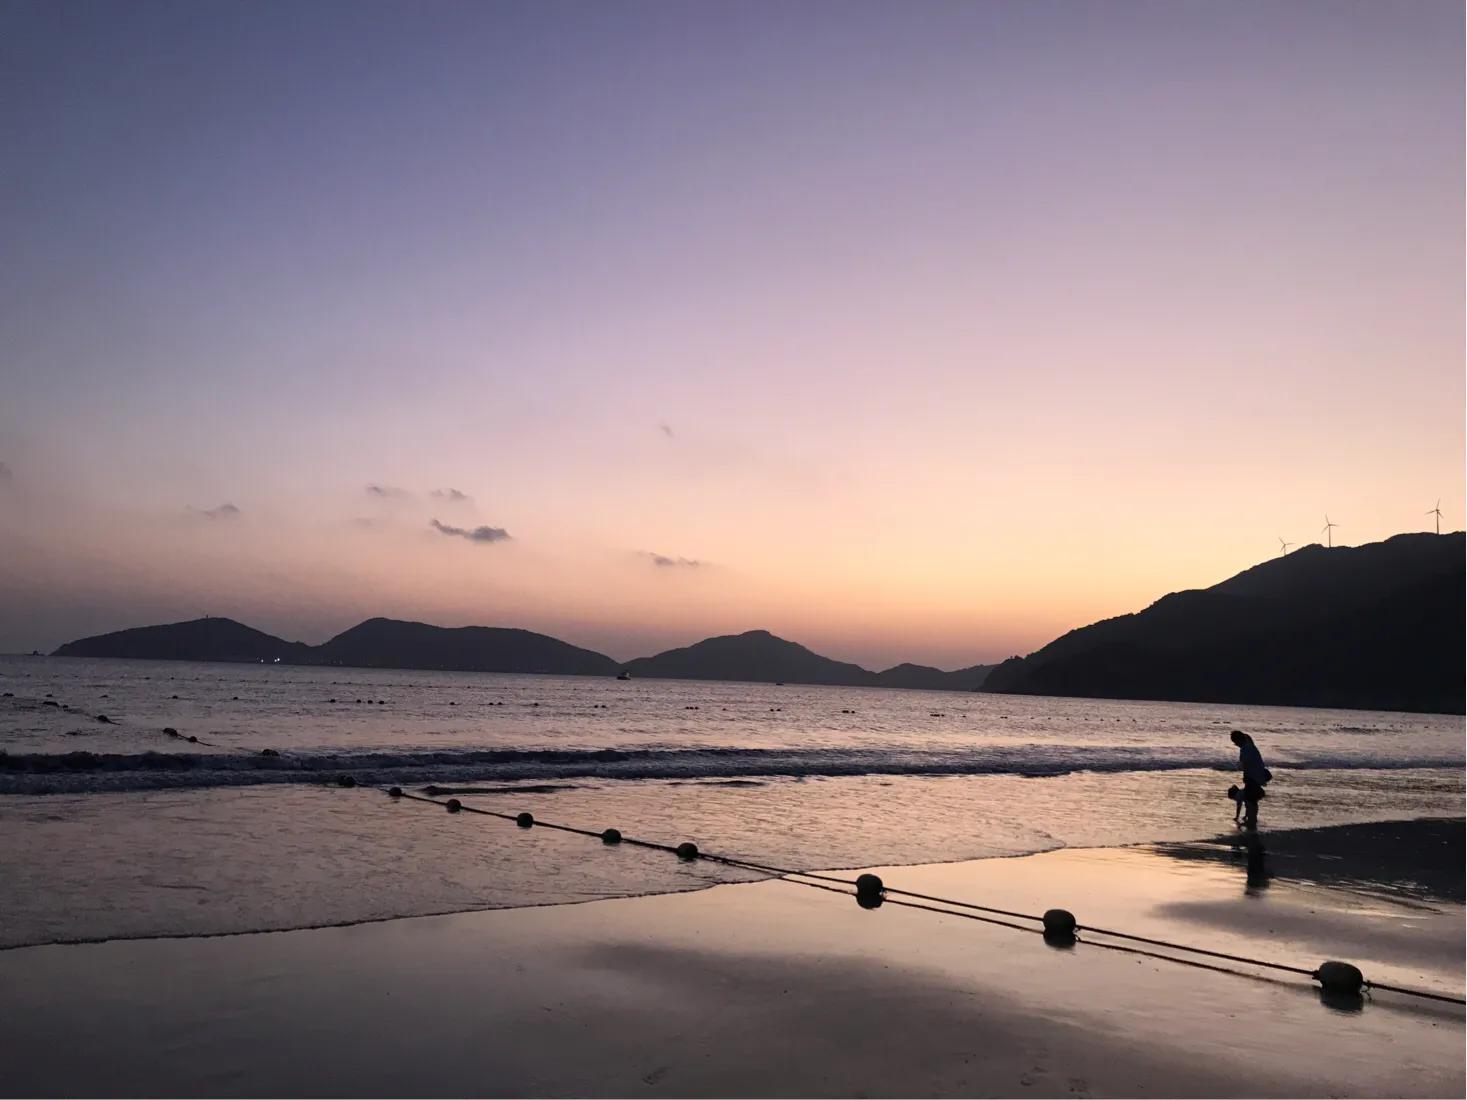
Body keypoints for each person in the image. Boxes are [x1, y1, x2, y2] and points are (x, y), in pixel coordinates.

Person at [1229, 730, 1272, 829]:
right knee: (1252, 799)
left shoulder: (1245, 749)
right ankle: (1252, 820)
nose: (1236, 744)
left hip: (1252, 777)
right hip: (1258, 776)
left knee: (1250, 800)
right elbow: (1249, 738)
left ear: (1239, 740)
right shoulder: (1251, 746)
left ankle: (1251, 822)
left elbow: (1244, 764)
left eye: (1235, 742)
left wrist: (1238, 767)